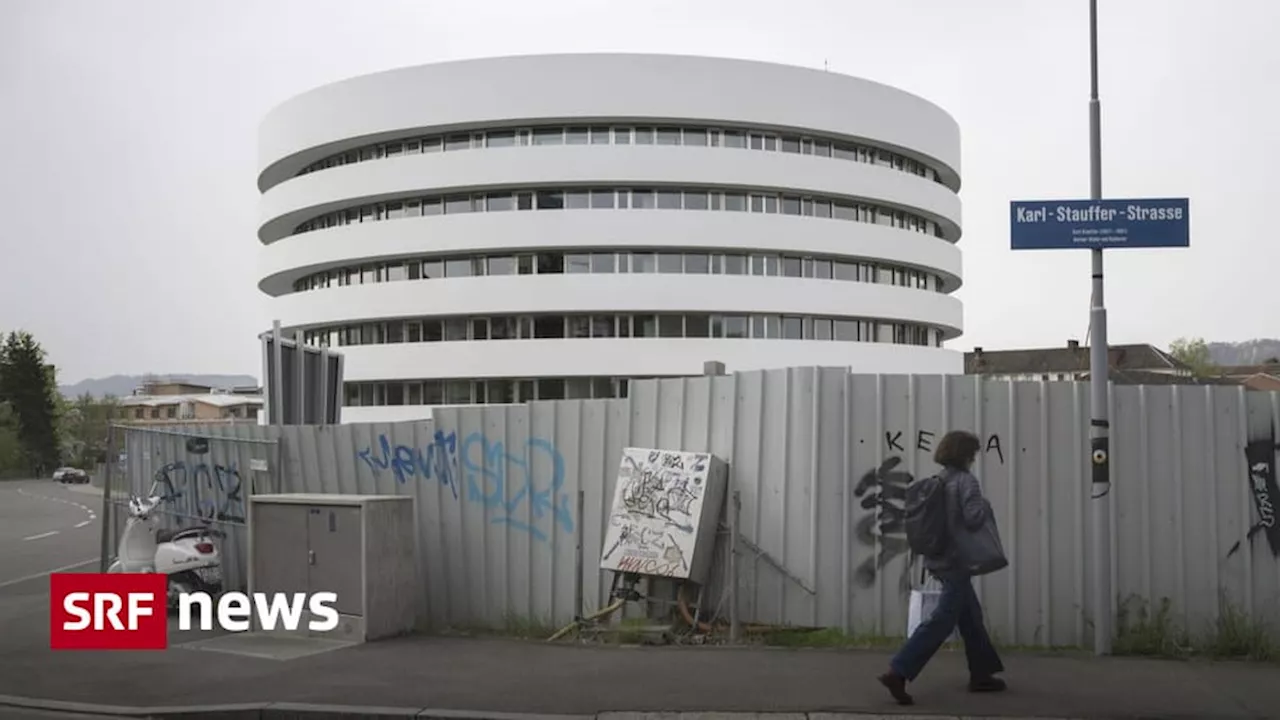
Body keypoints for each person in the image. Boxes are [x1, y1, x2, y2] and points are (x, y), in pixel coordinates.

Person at [877, 430, 1006, 705]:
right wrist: (984, 505)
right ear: (966, 454)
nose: (974, 458)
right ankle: (897, 671)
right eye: (972, 452)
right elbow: (973, 520)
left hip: (938, 558)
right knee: (943, 619)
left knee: (970, 615)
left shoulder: (937, 481)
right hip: (958, 561)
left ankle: (982, 674)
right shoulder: (966, 482)